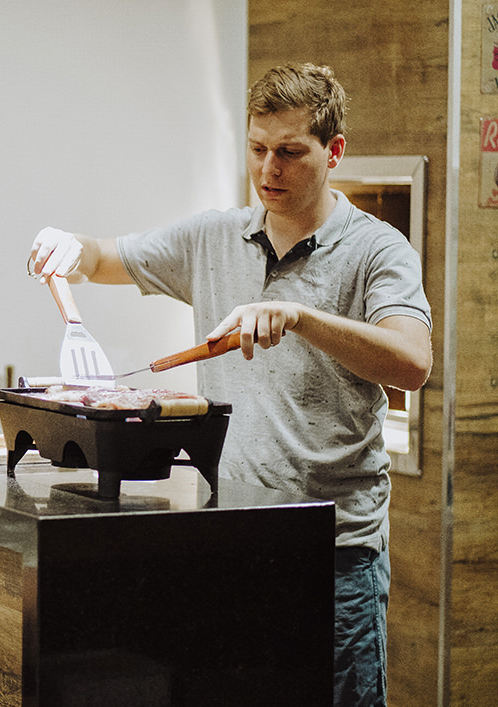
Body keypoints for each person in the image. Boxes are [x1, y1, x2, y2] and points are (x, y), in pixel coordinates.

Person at [28, 63, 432, 706]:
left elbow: (413, 362)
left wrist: (301, 319)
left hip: (334, 556)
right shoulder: (212, 237)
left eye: (291, 153)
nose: (269, 169)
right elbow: (105, 256)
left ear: (334, 152)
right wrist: (68, 247)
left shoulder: (377, 251)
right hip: (228, 540)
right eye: (257, 149)